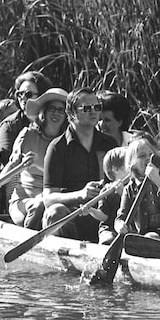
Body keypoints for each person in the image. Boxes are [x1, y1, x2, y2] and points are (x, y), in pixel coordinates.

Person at [40, 88, 118, 241]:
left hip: (103, 215)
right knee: (55, 211)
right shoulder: (57, 147)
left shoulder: (109, 143)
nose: (93, 112)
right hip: (71, 217)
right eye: (87, 108)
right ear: (71, 113)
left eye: (97, 107)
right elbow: (48, 198)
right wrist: (80, 195)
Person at [5, 88, 69, 229]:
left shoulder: (68, 142)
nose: (56, 113)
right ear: (44, 112)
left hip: (54, 201)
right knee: (39, 205)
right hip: (24, 202)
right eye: (52, 109)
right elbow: (11, 166)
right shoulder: (28, 135)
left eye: (61, 110)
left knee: (49, 206)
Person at [0, 71, 52, 165]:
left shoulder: (54, 120)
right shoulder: (9, 125)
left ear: (42, 96)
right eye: (19, 94)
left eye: (28, 94)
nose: (23, 98)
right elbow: (6, 159)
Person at [98, 147, 128, 245]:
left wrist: (122, 193)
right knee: (109, 240)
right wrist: (90, 210)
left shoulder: (132, 187)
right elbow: (103, 216)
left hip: (126, 228)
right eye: (129, 164)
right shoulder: (106, 191)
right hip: (109, 228)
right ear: (116, 169)